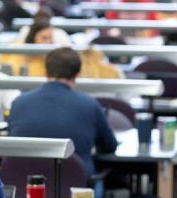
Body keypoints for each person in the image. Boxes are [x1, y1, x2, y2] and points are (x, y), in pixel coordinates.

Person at [7, 47, 118, 185]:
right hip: (76, 191)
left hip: (25, 189)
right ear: (77, 74)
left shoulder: (18, 102)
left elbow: (11, 141)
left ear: (45, 71)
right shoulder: (90, 105)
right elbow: (110, 146)